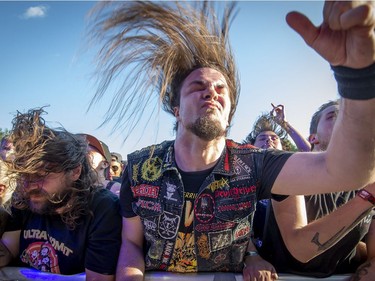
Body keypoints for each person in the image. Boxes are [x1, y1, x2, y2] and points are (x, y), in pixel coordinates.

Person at [87, 1, 375, 280]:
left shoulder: (254, 163)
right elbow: (132, 244)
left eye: (221, 90)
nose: (211, 92)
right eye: (198, 87)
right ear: (176, 110)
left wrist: (357, 76)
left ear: (228, 116)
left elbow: (348, 173)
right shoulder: (139, 167)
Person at [258, 100, 375, 279]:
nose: (348, 121)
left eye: (351, 117)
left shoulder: (368, 180)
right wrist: (368, 197)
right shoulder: (290, 170)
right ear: (314, 138)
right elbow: (300, 250)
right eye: (333, 116)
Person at [0, 108, 122, 280]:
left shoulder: (102, 208)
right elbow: (8, 249)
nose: (29, 185)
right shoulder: (24, 198)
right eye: (24, 175)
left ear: (75, 172)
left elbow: (98, 278)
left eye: (41, 175)